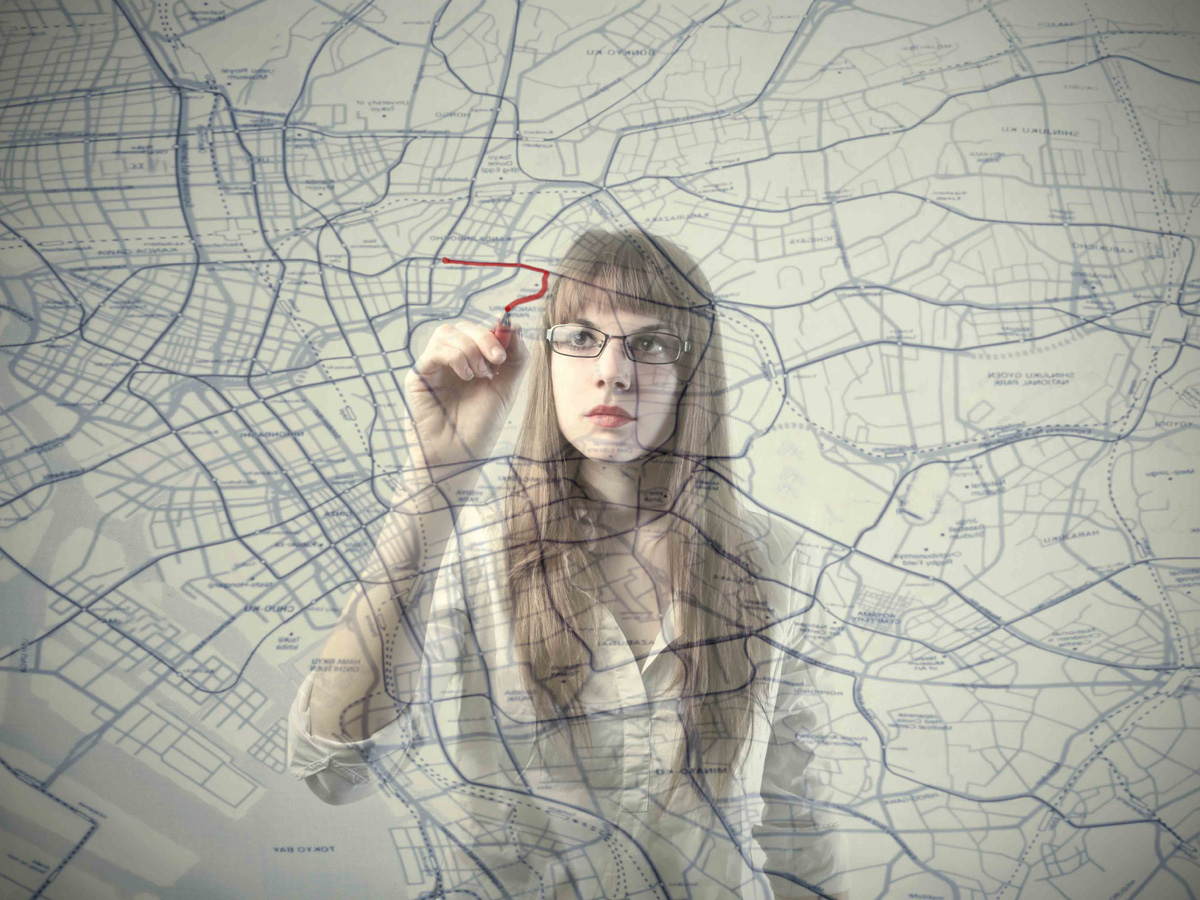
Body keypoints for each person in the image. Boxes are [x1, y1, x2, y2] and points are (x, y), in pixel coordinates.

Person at [287, 229, 849, 899]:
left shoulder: (779, 564)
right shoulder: (467, 547)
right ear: (546, 360)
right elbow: (333, 769)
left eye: (651, 343)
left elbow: (798, 834)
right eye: (581, 338)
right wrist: (434, 480)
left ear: (692, 372)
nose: (613, 370)